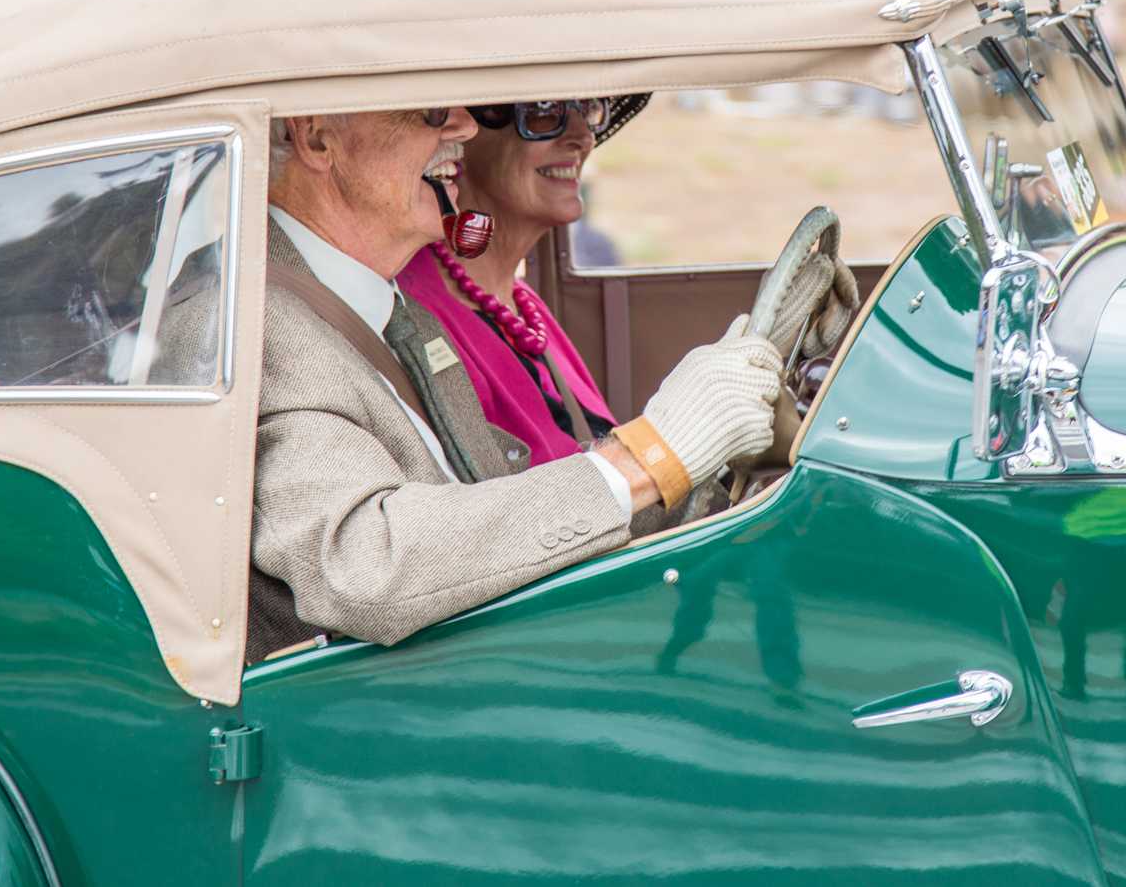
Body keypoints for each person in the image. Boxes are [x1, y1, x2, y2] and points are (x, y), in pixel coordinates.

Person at [159, 107, 788, 662]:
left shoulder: (384, 308)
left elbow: (492, 496)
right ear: (318, 139)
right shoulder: (246, 324)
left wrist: (703, 464)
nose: (463, 124)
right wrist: (647, 459)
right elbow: (363, 565)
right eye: (431, 110)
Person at [397, 96, 856, 518]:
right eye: (545, 110)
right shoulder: (414, 309)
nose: (582, 136)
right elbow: (509, 520)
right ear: (463, 139)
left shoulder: (521, 305)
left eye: (590, 108)